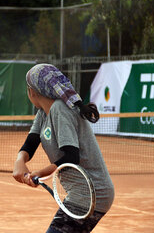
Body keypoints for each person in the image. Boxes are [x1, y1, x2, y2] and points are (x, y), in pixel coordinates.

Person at [13, 64, 114, 233]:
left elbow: (71, 157)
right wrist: (20, 160)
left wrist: (39, 173)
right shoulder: (43, 113)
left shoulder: (60, 109)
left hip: (92, 194)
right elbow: (30, 143)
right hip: (81, 194)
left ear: (33, 92)